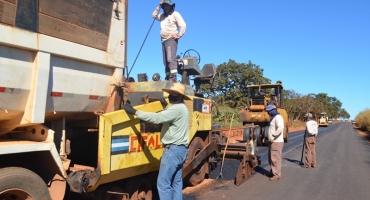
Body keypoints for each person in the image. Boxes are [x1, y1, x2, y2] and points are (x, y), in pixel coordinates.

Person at [122, 82, 190, 200]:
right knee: (176, 182)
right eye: (170, 93)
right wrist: (166, 107)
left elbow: (158, 118)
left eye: (173, 93)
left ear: (179, 96)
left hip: (172, 151)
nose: (169, 96)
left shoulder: (177, 109)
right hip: (181, 150)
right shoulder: (183, 108)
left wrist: (135, 112)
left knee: (163, 184)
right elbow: (172, 115)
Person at [152, 0, 186, 82]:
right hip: (163, 41)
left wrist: (179, 35)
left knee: (170, 59)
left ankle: (172, 78)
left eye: (168, 5)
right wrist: (159, 6)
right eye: (165, 6)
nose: (166, 7)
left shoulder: (175, 14)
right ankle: (168, 77)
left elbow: (183, 25)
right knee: (165, 61)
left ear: (171, 6)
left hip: (171, 40)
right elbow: (154, 15)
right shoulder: (162, 16)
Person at [266, 104, 284, 181]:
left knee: (275, 158)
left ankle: (276, 175)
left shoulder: (278, 117)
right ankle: (273, 171)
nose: (268, 113)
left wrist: (273, 135)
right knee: (271, 158)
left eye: (269, 111)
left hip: (276, 141)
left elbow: (280, 128)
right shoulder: (273, 118)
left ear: (273, 110)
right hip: (273, 141)